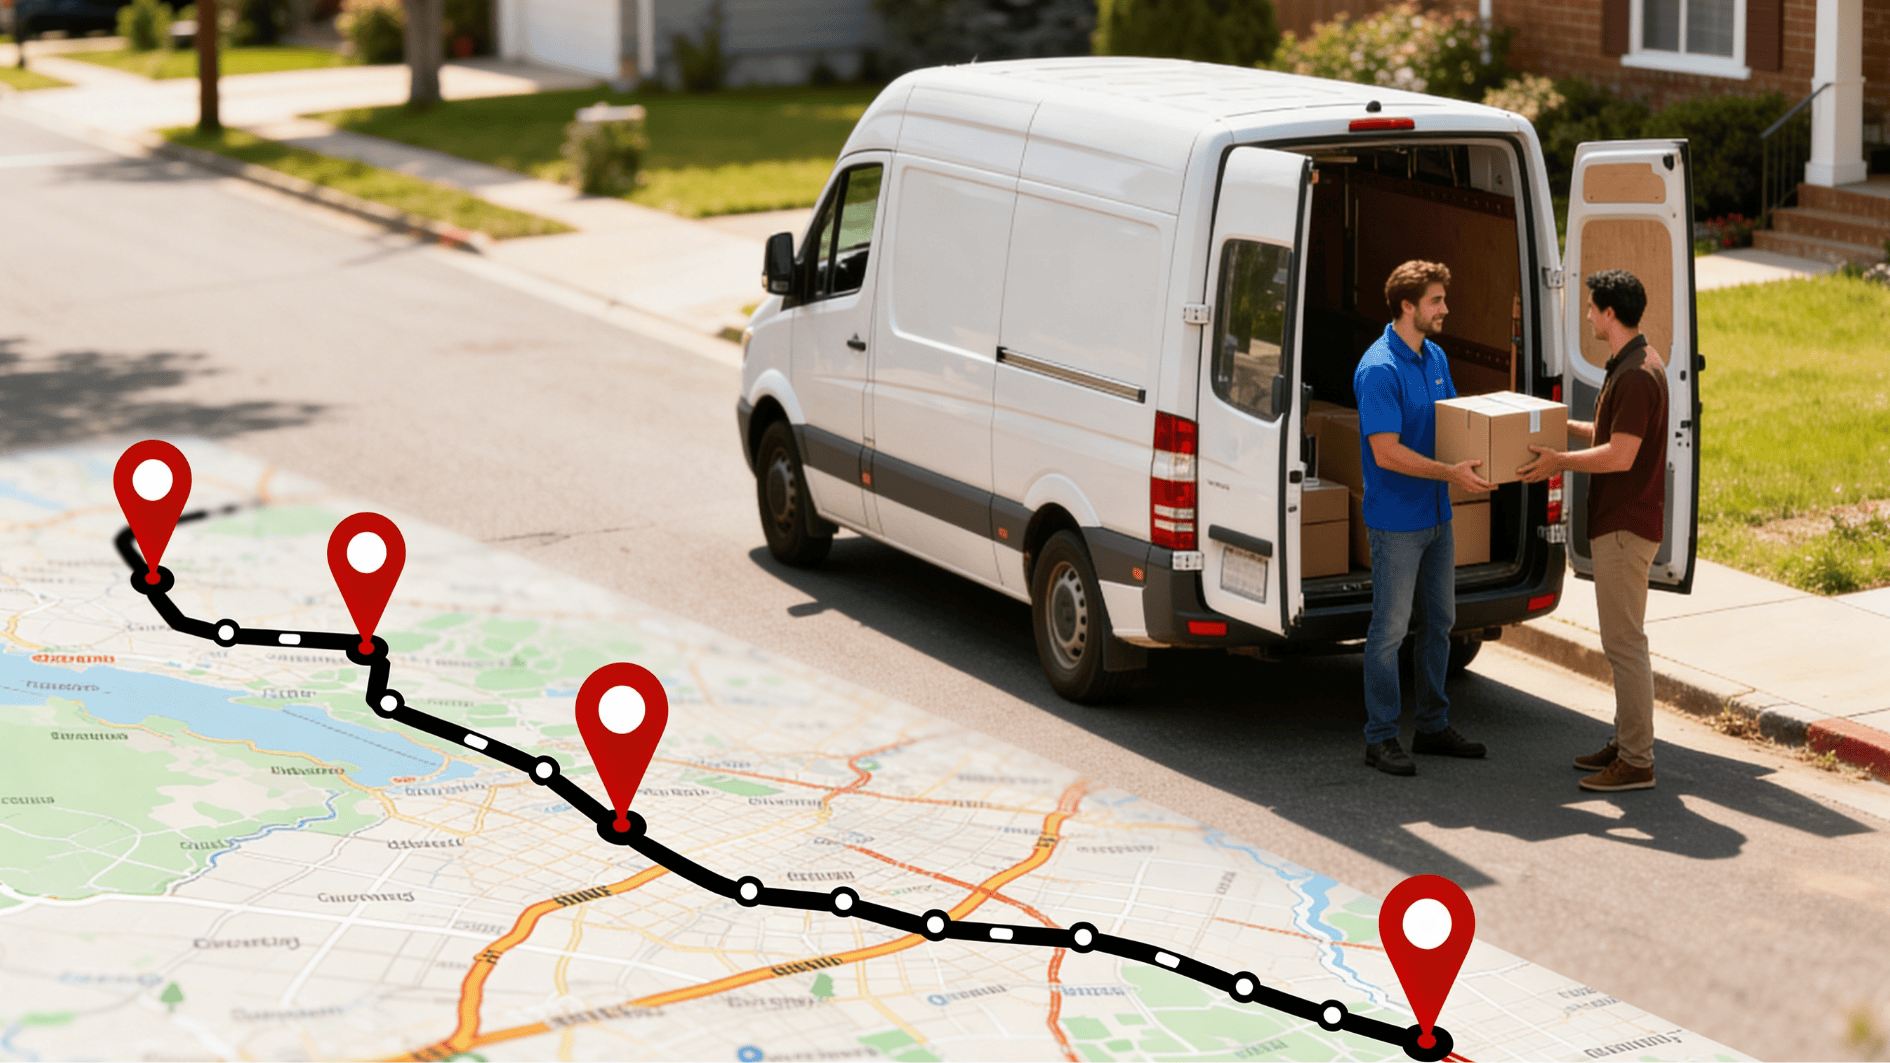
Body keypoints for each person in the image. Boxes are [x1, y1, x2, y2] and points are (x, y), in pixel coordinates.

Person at [1519, 269, 1669, 792]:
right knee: (1623, 642)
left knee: (1624, 645)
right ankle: (1625, 740)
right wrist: (1556, 425)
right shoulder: (1639, 362)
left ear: (1609, 313)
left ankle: (1637, 761)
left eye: (1591, 308)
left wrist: (1559, 459)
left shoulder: (1634, 375)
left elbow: (1620, 455)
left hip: (1624, 529)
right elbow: (1611, 432)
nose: (1586, 316)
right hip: (1629, 524)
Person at [1354, 261, 1497, 776]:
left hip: (1437, 514)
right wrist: (1450, 473)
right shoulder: (1379, 370)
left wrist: (1491, 453)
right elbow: (1386, 452)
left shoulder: (1434, 356)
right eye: (1437, 301)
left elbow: (1452, 423)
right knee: (1389, 630)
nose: (1445, 309)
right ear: (1408, 306)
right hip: (1396, 522)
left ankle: (1433, 726)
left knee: (1441, 622)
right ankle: (1381, 737)